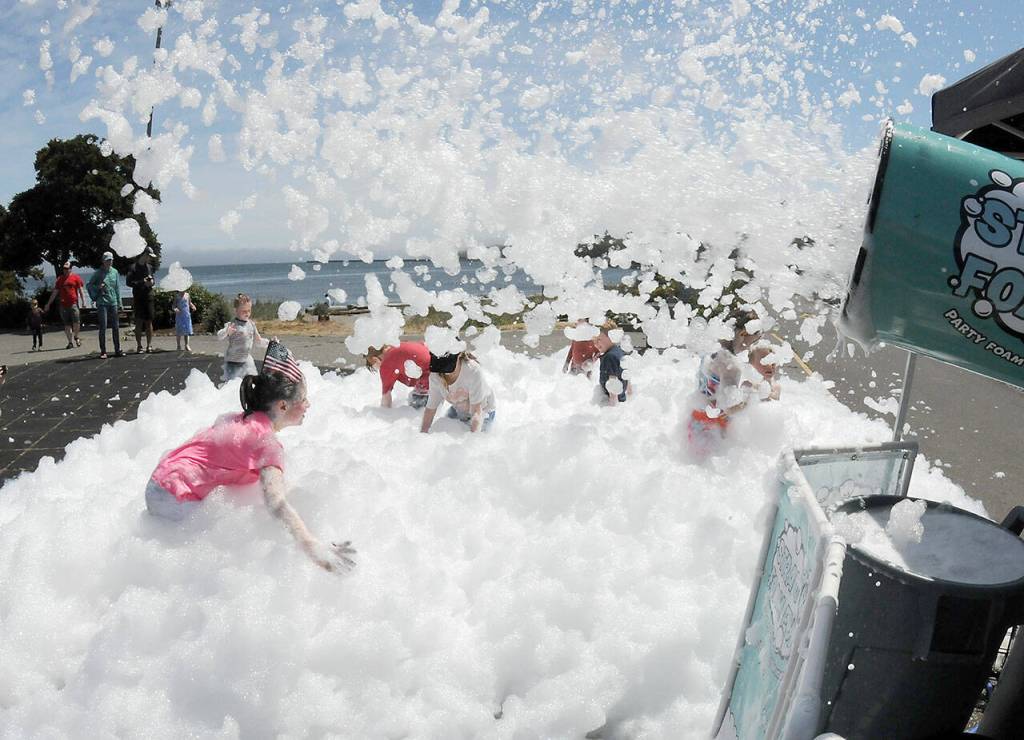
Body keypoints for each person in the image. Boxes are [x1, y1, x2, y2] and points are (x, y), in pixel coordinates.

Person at [145, 341, 356, 574]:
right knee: (227, 559)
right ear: (283, 406)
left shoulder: (243, 419)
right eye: (303, 399)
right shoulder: (266, 443)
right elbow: (275, 503)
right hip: (173, 497)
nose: (308, 405)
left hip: (161, 480)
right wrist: (312, 546)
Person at [687, 309, 777, 455]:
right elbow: (729, 408)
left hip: (696, 421)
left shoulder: (712, 348)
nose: (750, 347)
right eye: (753, 342)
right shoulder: (731, 366)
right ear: (743, 334)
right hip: (713, 429)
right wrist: (754, 394)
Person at [420, 350, 496, 433]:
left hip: (483, 410)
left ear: (459, 355)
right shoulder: (436, 375)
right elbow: (430, 409)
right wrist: (423, 434)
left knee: (478, 437)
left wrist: (473, 438)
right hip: (459, 409)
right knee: (441, 431)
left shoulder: (472, 371)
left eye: (449, 367)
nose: (446, 373)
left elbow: (476, 412)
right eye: (441, 368)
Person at [365, 341, 431, 408]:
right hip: (435, 369)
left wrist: (383, 412)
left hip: (427, 383)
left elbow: (386, 399)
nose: (379, 369)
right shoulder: (399, 346)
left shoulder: (386, 363)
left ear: (375, 359)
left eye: (376, 367)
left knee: (416, 408)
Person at [218, 293, 268, 382]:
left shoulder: (251, 324)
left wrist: (270, 343)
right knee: (234, 387)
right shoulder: (233, 324)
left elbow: (258, 341)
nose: (247, 313)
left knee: (252, 384)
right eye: (244, 311)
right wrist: (227, 332)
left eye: (249, 310)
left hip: (247, 362)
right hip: (233, 363)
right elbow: (219, 336)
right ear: (236, 310)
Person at [86, 251, 124, 359]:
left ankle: (117, 349)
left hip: (113, 301)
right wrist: (98, 287)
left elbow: (117, 288)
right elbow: (89, 285)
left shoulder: (115, 272)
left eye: (111, 260)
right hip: (102, 302)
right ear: (103, 261)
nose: (109, 262)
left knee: (116, 326)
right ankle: (103, 351)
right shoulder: (98, 273)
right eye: (107, 260)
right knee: (103, 326)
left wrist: (120, 302)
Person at [44, 261, 85, 349]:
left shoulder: (76, 277)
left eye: (67, 268)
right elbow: (55, 292)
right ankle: (70, 342)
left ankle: (76, 336)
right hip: (63, 305)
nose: (65, 270)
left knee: (76, 322)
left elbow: (81, 290)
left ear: (70, 269)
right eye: (64, 269)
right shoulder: (60, 279)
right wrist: (48, 303)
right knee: (67, 324)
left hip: (73, 303)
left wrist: (83, 301)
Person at [126, 247, 157, 354]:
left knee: (149, 321)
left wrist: (151, 282)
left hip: (149, 296)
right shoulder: (133, 267)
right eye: (149, 256)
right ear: (145, 255)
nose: (150, 259)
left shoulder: (150, 267)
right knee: (139, 322)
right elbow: (128, 282)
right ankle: (139, 345)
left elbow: (153, 279)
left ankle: (149, 345)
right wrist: (141, 282)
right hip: (138, 297)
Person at [594, 320, 631, 405]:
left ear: (611, 337)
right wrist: (630, 397)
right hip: (622, 401)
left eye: (599, 339)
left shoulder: (609, 357)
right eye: (595, 340)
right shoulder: (620, 351)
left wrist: (612, 409)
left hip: (612, 403)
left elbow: (613, 385)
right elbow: (627, 378)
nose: (596, 343)